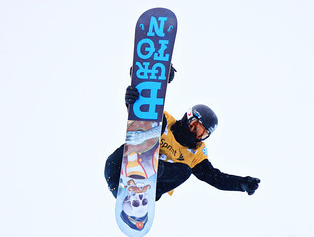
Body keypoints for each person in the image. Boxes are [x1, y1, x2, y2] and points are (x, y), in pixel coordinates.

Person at [104, 69, 260, 204]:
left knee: (185, 171)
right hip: (120, 166)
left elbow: (215, 178)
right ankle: (144, 165)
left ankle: (150, 172)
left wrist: (241, 183)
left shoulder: (195, 154)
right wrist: (132, 101)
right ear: (188, 117)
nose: (194, 133)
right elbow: (142, 114)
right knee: (156, 123)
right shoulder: (166, 122)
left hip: (150, 187)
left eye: (201, 133)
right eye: (194, 126)